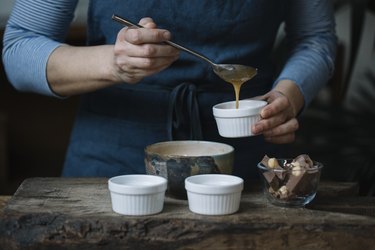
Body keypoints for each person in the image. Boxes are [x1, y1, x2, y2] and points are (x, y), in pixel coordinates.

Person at [2, 1, 336, 179]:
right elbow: (19, 51)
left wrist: (289, 95)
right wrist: (113, 63)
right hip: (111, 166)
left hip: (243, 162)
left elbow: (314, 38)